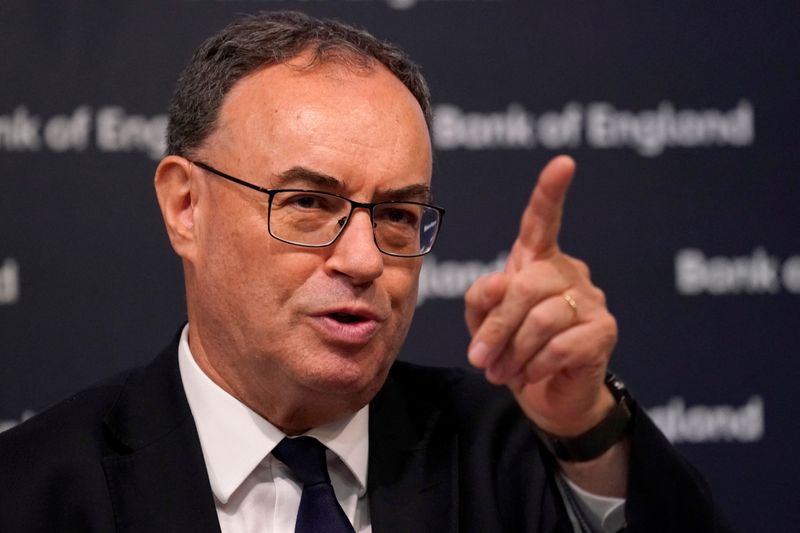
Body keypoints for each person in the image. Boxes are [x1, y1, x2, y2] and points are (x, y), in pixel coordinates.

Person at [0, 11, 732, 533]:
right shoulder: (35, 489)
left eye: (397, 214)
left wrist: (584, 426)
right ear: (186, 206)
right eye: (310, 203)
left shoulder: (507, 451)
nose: (364, 260)